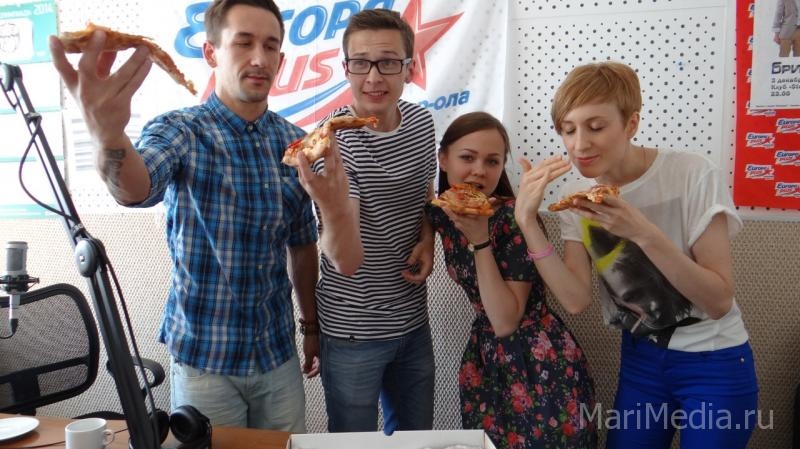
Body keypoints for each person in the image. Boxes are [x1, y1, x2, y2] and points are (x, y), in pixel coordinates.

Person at [49, 0, 319, 432]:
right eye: (243, 43)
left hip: (277, 354)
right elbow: (134, 189)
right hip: (204, 360)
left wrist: (311, 326)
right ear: (212, 53)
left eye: (270, 47)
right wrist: (109, 136)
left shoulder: (295, 145)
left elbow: (302, 246)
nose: (259, 58)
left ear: (281, 59)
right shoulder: (181, 130)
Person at [514, 61, 759, 449]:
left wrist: (642, 232)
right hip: (642, 361)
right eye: (568, 129)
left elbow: (718, 301)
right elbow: (575, 300)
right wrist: (527, 221)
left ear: (631, 124)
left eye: (596, 127)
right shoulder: (576, 198)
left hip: (714, 360)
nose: (580, 144)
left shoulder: (692, 174)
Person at [293, 8, 437, 433]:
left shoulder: (422, 123)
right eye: (361, 63)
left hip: (413, 319)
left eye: (388, 62)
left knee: (416, 440)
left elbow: (425, 195)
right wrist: (332, 208)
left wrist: (427, 238)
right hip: (352, 332)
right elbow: (346, 262)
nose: (374, 77)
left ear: (409, 68)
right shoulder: (333, 142)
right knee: (353, 443)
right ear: (346, 69)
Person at [425, 112, 597, 449]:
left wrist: (480, 242)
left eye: (492, 161)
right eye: (467, 157)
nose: (479, 170)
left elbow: (505, 321)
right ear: (443, 159)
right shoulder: (446, 211)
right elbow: (426, 209)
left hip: (537, 361)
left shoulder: (511, 219)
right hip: (484, 360)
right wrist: (423, 242)